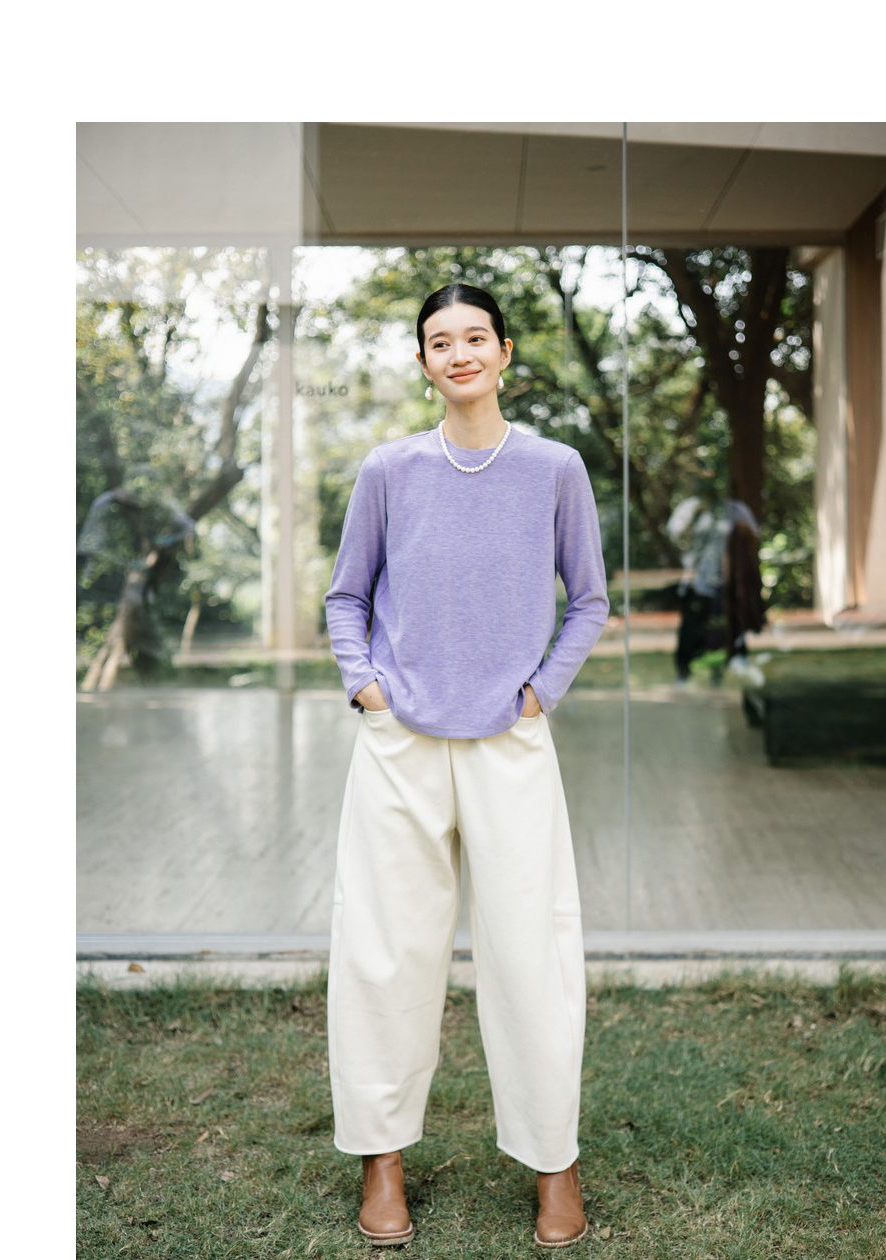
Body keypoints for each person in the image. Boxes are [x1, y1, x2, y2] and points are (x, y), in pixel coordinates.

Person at [323, 283, 609, 1248]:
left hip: (510, 743)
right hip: (399, 743)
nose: (459, 354)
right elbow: (346, 595)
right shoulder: (389, 469)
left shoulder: (555, 468)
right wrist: (368, 688)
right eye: (439, 342)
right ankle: (381, 1159)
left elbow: (589, 599)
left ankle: (554, 1161)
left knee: (533, 954)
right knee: (384, 950)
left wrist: (540, 692)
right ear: (423, 363)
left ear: (505, 352)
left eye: (475, 337)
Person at [666, 493, 763, 683]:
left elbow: (754, 538)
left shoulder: (736, 509)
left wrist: (743, 532)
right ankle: (683, 675)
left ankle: (721, 675)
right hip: (698, 583)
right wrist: (694, 516)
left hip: (727, 585)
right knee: (691, 632)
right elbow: (675, 536)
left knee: (727, 631)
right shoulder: (690, 506)